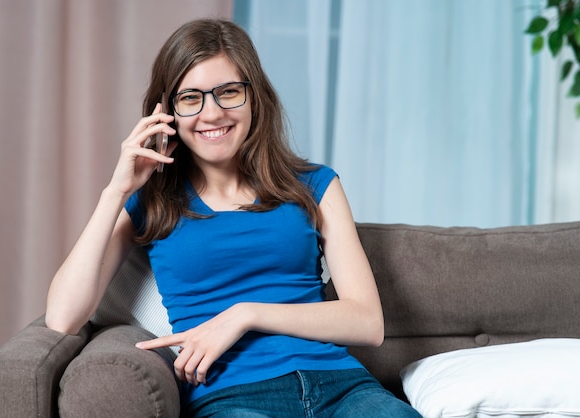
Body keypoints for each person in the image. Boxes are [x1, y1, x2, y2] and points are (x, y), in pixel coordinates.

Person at [45, 18, 422, 418]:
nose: (212, 113)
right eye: (190, 97)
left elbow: (366, 321)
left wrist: (245, 314)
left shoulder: (316, 185)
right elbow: (63, 317)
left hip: (343, 389)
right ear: (166, 111)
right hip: (231, 398)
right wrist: (115, 192)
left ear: (254, 98)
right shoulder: (152, 203)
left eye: (228, 92)